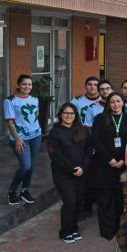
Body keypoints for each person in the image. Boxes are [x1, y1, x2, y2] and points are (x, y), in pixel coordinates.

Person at [90, 92, 127, 239]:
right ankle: (107, 230)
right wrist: (108, 159)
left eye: (118, 101)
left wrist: (124, 159)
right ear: (108, 104)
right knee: (105, 199)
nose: (115, 104)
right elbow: (96, 140)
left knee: (119, 197)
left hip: (122, 165)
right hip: (104, 165)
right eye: (112, 102)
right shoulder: (99, 119)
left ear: (123, 103)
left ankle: (119, 227)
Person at [47, 102, 92, 242]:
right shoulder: (55, 132)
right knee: (70, 201)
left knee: (79, 201)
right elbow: (56, 155)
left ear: (75, 115)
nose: (68, 116)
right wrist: (71, 169)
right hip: (63, 173)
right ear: (60, 115)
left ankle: (73, 228)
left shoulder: (83, 131)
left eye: (71, 113)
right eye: (65, 113)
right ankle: (65, 231)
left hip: (81, 172)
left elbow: (89, 151)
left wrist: (83, 168)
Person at [4, 74, 43, 205]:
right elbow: (10, 122)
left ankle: (25, 190)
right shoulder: (10, 101)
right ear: (18, 85)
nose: (27, 87)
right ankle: (12, 191)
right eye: (24, 84)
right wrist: (17, 139)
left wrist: (39, 132)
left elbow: (36, 116)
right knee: (25, 166)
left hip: (36, 136)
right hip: (21, 139)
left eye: (29, 84)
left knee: (31, 166)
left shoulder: (35, 99)